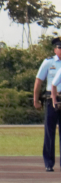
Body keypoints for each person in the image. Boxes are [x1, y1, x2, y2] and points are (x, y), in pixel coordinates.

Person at [34, 36, 61, 172]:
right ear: (55, 49)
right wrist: (35, 99)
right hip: (52, 99)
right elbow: (39, 81)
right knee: (49, 131)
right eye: (59, 48)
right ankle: (49, 163)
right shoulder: (48, 62)